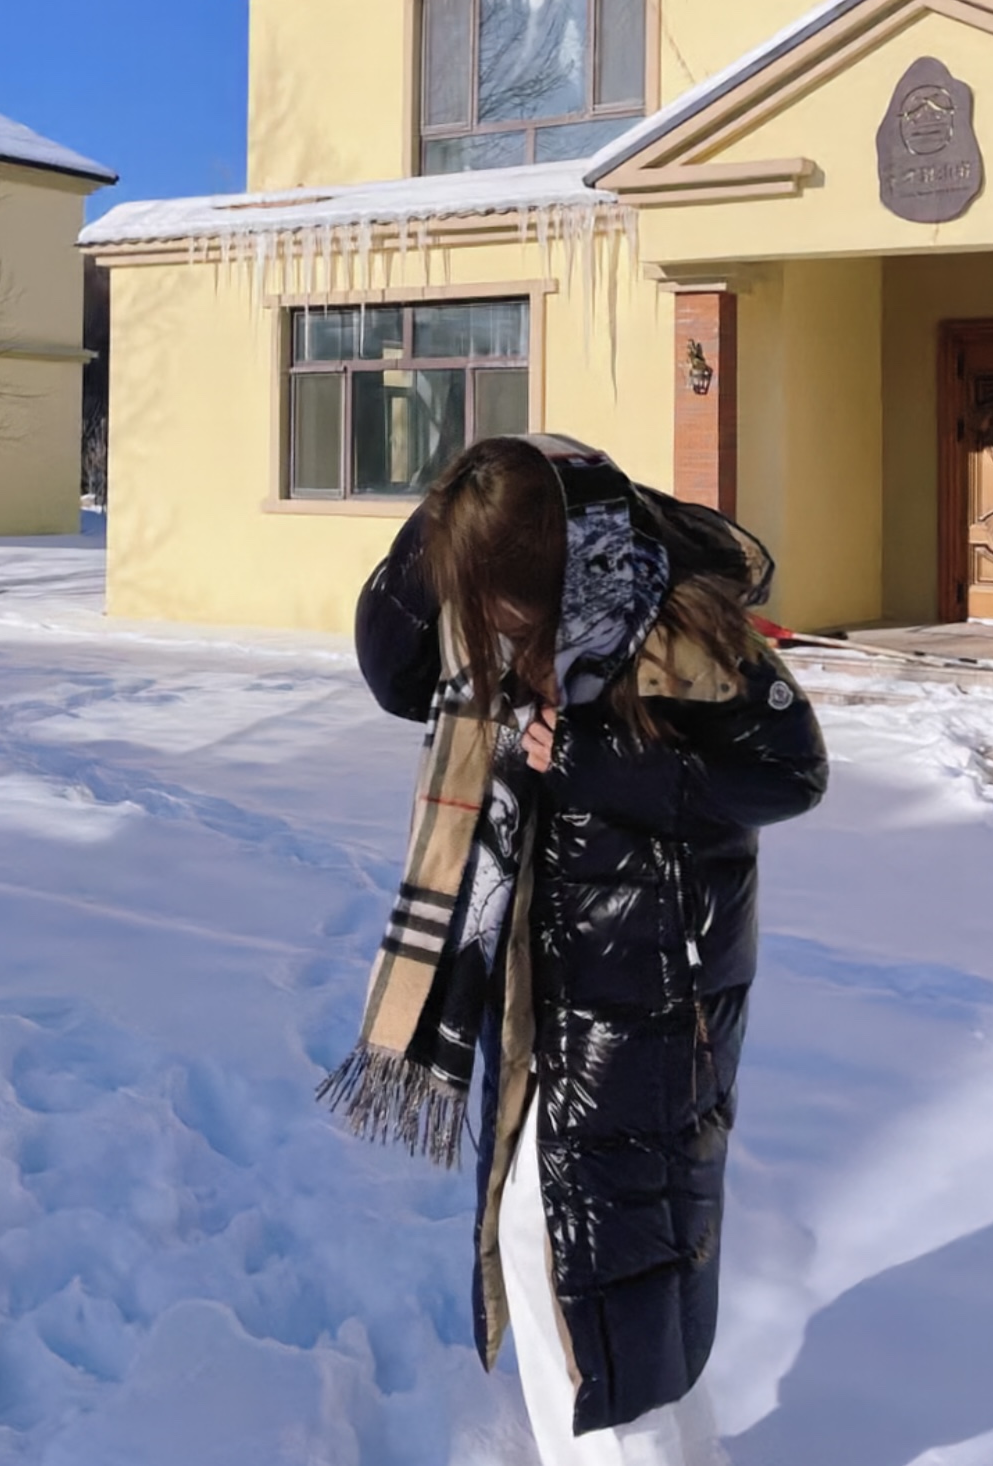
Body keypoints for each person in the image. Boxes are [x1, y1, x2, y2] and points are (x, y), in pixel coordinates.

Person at [319, 435, 828, 1466]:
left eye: (504, 608)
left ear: (558, 574)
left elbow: (790, 773)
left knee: (583, 1267)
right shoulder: (503, 609)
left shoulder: (673, 620)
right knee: (589, 1262)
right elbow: (393, 668)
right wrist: (444, 518)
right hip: (543, 983)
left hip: (652, 986)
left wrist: (601, 763)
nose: (489, 631)